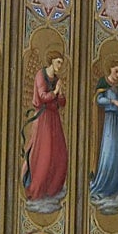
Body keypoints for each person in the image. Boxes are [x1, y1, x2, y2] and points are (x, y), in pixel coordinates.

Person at [22, 50, 69, 206]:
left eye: (61, 62)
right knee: (44, 154)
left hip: (54, 118)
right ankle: (37, 189)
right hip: (43, 118)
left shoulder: (57, 79)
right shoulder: (40, 75)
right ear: (51, 61)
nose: (60, 65)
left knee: (60, 154)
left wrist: (60, 93)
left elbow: (62, 103)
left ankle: (52, 189)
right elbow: (43, 96)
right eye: (58, 62)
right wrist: (55, 91)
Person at [89, 60, 118, 210]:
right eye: (115, 71)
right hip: (110, 121)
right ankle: (105, 185)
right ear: (110, 71)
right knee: (110, 152)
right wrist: (112, 101)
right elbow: (98, 99)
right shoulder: (104, 83)